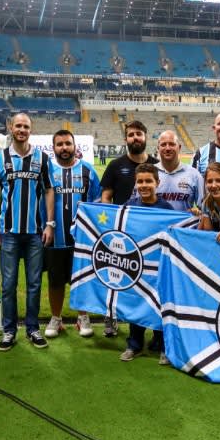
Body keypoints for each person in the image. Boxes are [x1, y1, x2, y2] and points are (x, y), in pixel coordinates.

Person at [0, 113, 54, 352]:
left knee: (34, 283)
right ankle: (9, 330)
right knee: (9, 285)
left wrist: (50, 224)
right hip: (8, 234)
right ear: (11, 128)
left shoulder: (43, 159)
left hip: (35, 233)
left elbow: (49, 191)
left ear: (30, 129)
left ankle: (33, 328)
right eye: (18, 125)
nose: (22, 129)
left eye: (26, 126)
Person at [100, 120, 158, 336]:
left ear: (145, 137)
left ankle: (148, 321)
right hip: (122, 232)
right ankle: (111, 317)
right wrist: (110, 224)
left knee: (147, 279)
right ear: (126, 139)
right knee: (116, 274)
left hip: (149, 232)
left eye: (139, 134)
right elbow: (106, 196)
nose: (135, 138)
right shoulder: (115, 165)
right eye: (131, 134)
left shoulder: (156, 164)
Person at [43, 129, 102, 339]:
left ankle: (82, 317)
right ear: (54, 147)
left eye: (68, 143)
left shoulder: (87, 170)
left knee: (82, 279)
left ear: (74, 146)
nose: (64, 148)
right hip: (55, 238)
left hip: (82, 240)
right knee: (55, 281)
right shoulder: (47, 170)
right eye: (59, 144)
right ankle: (56, 318)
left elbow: (98, 202)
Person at [121, 163, 174, 364]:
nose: (144, 185)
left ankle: (161, 344)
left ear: (157, 183)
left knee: (159, 305)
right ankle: (134, 344)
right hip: (136, 267)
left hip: (159, 268)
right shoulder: (130, 206)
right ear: (135, 183)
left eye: (148, 181)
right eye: (140, 181)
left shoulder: (166, 209)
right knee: (136, 303)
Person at [155, 130, 204, 213]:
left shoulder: (194, 175)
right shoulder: (150, 173)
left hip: (183, 225)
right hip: (155, 225)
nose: (167, 148)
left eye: (172, 144)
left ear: (179, 147)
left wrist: (197, 212)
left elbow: (204, 207)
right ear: (158, 148)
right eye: (163, 144)